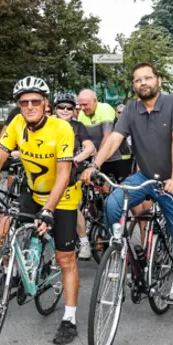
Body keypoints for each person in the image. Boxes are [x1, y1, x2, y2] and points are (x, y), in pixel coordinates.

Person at [82, 63, 173, 335]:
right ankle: (122, 251)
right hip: (145, 177)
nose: (143, 83)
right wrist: (95, 165)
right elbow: (114, 138)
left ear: (158, 80)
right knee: (113, 203)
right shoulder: (131, 109)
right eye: (138, 80)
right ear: (134, 85)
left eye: (148, 78)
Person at [0, 76, 83, 345]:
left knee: (65, 259)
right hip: (32, 192)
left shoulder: (62, 128)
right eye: (23, 102)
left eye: (35, 101)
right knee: (3, 229)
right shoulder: (16, 124)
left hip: (62, 197)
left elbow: (63, 174)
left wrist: (49, 210)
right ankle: (17, 272)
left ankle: (69, 319)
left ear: (45, 104)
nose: (29, 106)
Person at [51, 93, 96, 260]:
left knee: (71, 207)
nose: (65, 110)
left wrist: (75, 159)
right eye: (61, 107)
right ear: (55, 109)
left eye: (69, 107)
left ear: (74, 110)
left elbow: (89, 147)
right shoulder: (49, 125)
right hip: (51, 171)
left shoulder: (78, 127)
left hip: (72, 172)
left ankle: (83, 242)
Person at [77, 89, 130, 183]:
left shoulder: (105, 108)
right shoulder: (81, 114)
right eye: (80, 104)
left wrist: (95, 161)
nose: (82, 108)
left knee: (122, 188)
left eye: (85, 104)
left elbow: (107, 137)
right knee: (100, 188)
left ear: (95, 100)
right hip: (101, 158)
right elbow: (84, 139)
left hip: (119, 156)